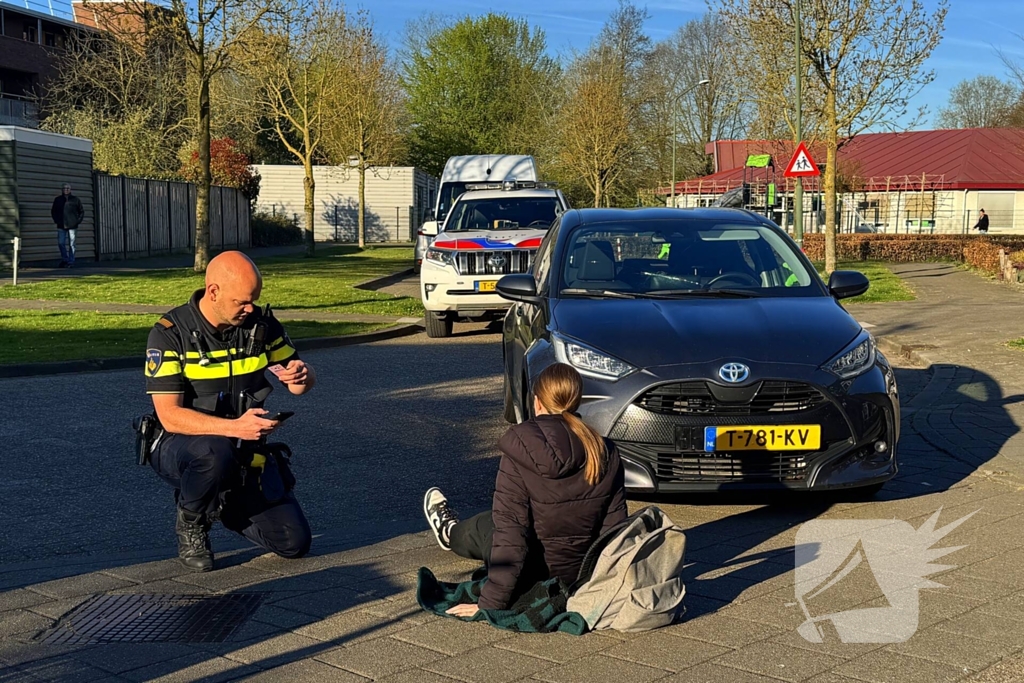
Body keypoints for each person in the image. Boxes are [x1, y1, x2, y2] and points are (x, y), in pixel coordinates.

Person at [143, 251, 317, 571]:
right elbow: (169, 416)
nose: (250, 308)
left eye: (254, 300)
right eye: (242, 302)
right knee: (214, 451)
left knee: (294, 544)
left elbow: (298, 385)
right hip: (181, 445)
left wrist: (302, 376)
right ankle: (192, 520)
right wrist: (236, 427)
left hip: (242, 447)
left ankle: (224, 504)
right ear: (214, 292)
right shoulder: (170, 333)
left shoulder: (261, 326)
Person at [423, 363, 627, 615]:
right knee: (497, 521)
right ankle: (452, 532)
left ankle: (449, 532)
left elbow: (511, 534)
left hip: (531, 574)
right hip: (582, 574)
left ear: (537, 401)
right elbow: (614, 529)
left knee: (486, 524)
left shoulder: (521, 445)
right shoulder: (604, 450)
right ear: (578, 401)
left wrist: (490, 603)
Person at [51, 183, 84, 268]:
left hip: (73, 225)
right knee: (61, 243)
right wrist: (56, 220)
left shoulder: (75, 199)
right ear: (62, 189)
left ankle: (71, 261)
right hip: (61, 225)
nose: (66, 190)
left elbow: (81, 211)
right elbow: (53, 211)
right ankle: (65, 259)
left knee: (72, 244)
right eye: (64, 188)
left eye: (68, 188)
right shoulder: (58, 200)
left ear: (70, 189)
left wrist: (77, 221)